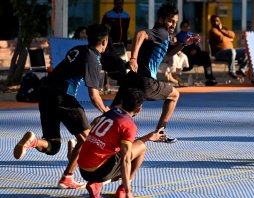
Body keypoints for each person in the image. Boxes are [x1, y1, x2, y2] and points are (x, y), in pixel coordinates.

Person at [13, 24, 110, 189]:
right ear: (105, 41)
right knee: (88, 140)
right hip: (63, 97)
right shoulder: (93, 59)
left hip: (45, 94)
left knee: (53, 146)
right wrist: (107, 112)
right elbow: (94, 95)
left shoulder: (78, 49)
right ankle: (70, 177)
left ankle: (33, 141)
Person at [111, 4, 199, 143]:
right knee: (175, 95)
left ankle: (89, 137)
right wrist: (133, 58)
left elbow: (169, 53)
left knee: (113, 113)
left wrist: (183, 44)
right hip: (147, 83)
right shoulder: (161, 32)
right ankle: (160, 132)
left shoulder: (164, 36)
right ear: (161, 19)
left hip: (131, 79)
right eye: (170, 20)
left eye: (175, 22)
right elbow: (140, 34)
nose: (173, 25)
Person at [78, 88, 167, 198]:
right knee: (141, 148)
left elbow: (95, 122)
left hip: (82, 168)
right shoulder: (129, 125)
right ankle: (123, 189)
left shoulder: (110, 112)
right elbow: (126, 159)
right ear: (139, 109)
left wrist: (148, 137)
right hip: (97, 171)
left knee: (127, 148)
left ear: (122, 103)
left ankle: (97, 184)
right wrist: (128, 191)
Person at [176, 20, 217, 86]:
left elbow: (197, 44)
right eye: (184, 26)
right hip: (187, 55)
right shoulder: (179, 36)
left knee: (206, 56)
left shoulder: (192, 34)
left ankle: (209, 77)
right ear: (181, 27)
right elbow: (180, 47)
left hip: (195, 53)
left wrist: (195, 49)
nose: (186, 28)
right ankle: (209, 77)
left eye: (187, 26)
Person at [209, 15, 247, 79]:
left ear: (220, 21)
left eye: (217, 21)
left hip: (232, 52)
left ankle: (242, 69)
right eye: (214, 21)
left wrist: (222, 30)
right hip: (219, 53)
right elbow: (221, 38)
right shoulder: (212, 30)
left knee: (247, 50)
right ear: (211, 22)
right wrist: (229, 38)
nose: (216, 22)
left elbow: (233, 35)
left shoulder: (224, 29)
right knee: (231, 51)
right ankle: (231, 71)